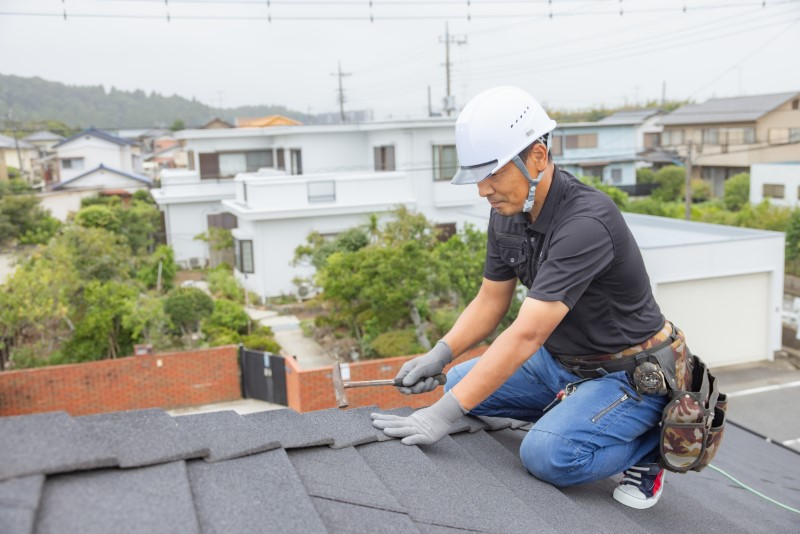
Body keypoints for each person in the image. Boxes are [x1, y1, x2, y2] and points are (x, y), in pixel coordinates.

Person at [372, 86, 693, 510]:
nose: (483, 190)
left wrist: (440, 417)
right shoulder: (507, 212)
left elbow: (525, 335)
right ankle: (563, 413)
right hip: (559, 364)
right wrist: (441, 353)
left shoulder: (586, 223)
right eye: (477, 176)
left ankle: (651, 447)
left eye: (494, 173)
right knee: (460, 384)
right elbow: (491, 300)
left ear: (537, 157)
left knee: (548, 456)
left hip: (627, 375)